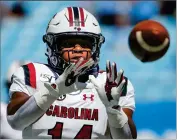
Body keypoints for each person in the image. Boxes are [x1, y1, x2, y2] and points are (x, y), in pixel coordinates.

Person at [7, 7, 137, 139]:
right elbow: (16, 122)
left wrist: (114, 110)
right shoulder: (33, 73)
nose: (78, 49)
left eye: (85, 43)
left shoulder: (111, 83)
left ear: (95, 47)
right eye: (69, 43)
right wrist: (53, 91)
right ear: (52, 45)